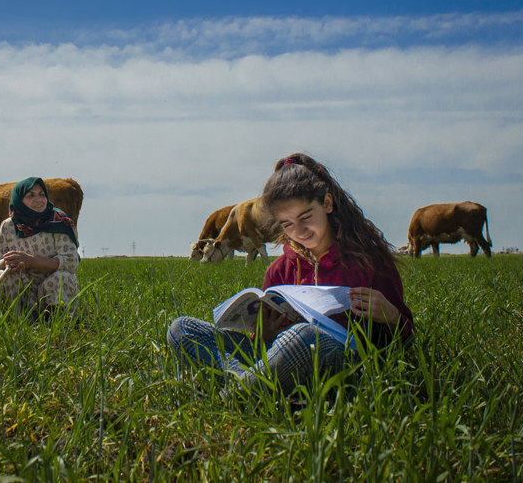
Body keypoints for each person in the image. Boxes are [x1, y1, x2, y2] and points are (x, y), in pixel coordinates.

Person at [167, 153, 414, 395]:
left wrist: (391, 317)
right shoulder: (279, 270)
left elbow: (404, 342)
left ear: (327, 204)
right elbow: (262, 343)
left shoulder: (368, 262)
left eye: (306, 217)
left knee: (305, 336)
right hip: (280, 360)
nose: (300, 231)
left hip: (341, 365)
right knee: (181, 329)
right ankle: (250, 384)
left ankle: (235, 391)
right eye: (287, 224)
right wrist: (266, 335)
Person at [0, 177, 80, 318]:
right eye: (30, 195)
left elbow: (71, 262)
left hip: (49, 287)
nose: (38, 199)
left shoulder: (58, 221)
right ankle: (17, 324)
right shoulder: (8, 226)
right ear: (18, 200)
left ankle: (56, 323)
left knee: (63, 277)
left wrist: (32, 261)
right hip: (22, 288)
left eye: (42, 194)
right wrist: (6, 263)